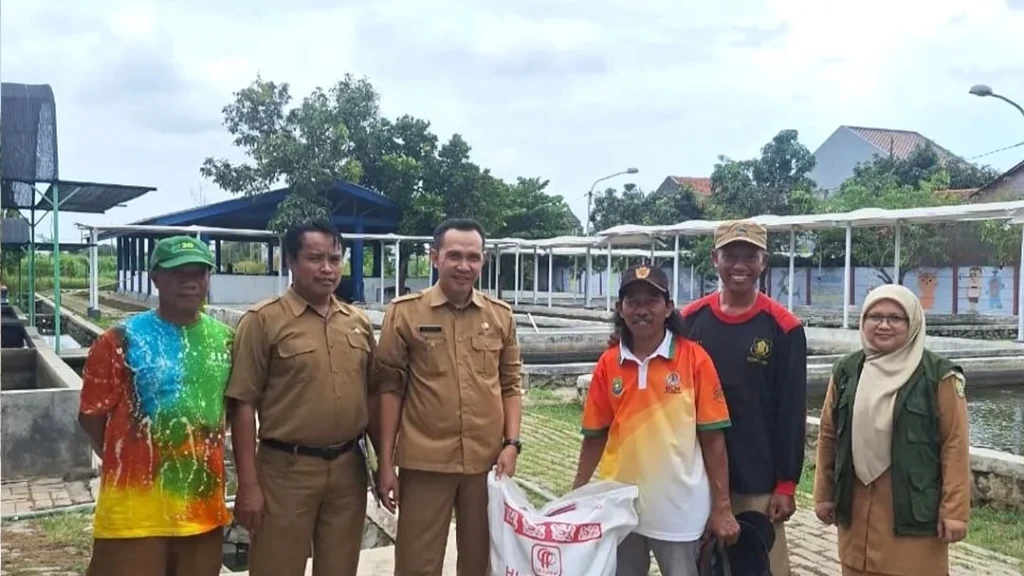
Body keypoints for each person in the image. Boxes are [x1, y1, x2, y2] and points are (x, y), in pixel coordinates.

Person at [608, 220, 807, 576]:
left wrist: (786, 483)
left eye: (750, 256)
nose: (739, 265)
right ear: (715, 259)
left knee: (759, 566)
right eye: (730, 255)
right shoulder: (692, 320)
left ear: (765, 261)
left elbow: (791, 412)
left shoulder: (784, 326)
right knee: (703, 566)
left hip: (756, 478)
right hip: (694, 476)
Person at [226, 221, 378, 576]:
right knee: (276, 567)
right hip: (285, 471)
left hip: (347, 469)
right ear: (291, 261)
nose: (327, 269)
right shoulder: (263, 321)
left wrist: (383, 464)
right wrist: (247, 485)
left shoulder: (356, 322)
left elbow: (372, 396)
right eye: (315, 258)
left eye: (335, 259)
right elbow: (242, 405)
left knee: (341, 567)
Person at [373, 218, 523, 576]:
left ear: (483, 261)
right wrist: (384, 462)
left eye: (473, 257)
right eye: (454, 255)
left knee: (479, 560)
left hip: (485, 465)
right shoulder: (405, 313)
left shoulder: (500, 316)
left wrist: (512, 444)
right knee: (417, 563)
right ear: (434, 257)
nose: (464, 265)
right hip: (426, 462)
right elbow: (388, 389)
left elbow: (510, 385)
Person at [78, 236, 232, 576]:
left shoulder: (226, 340)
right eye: (178, 273)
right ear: (155, 278)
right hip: (134, 513)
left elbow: (228, 412)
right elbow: (91, 417)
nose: (190, 282)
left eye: (199, 273)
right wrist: (132, 458)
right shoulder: (119, 340)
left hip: (201, 511)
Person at [575, 264, 739, 576]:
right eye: (632, 302)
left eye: (651, 301)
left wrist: (722, 507)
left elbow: (713, 439)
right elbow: (595, 436)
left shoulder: (694, 359)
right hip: (620, 508)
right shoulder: (609, 363)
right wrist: (575, 496)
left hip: (680, 512)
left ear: (668, 307)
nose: (642, 310)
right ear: (620, 309)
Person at [813, 284, 970, 576]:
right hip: (856, 509)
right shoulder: (847, 371)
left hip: (913, 511)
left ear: (912, 322)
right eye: (875, 316)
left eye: (896, 318)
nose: (884, 325)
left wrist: (954, 512)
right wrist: (824, 494)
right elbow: (829, 435)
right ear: (863, 321)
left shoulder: (938, 376)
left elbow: (955, 444)